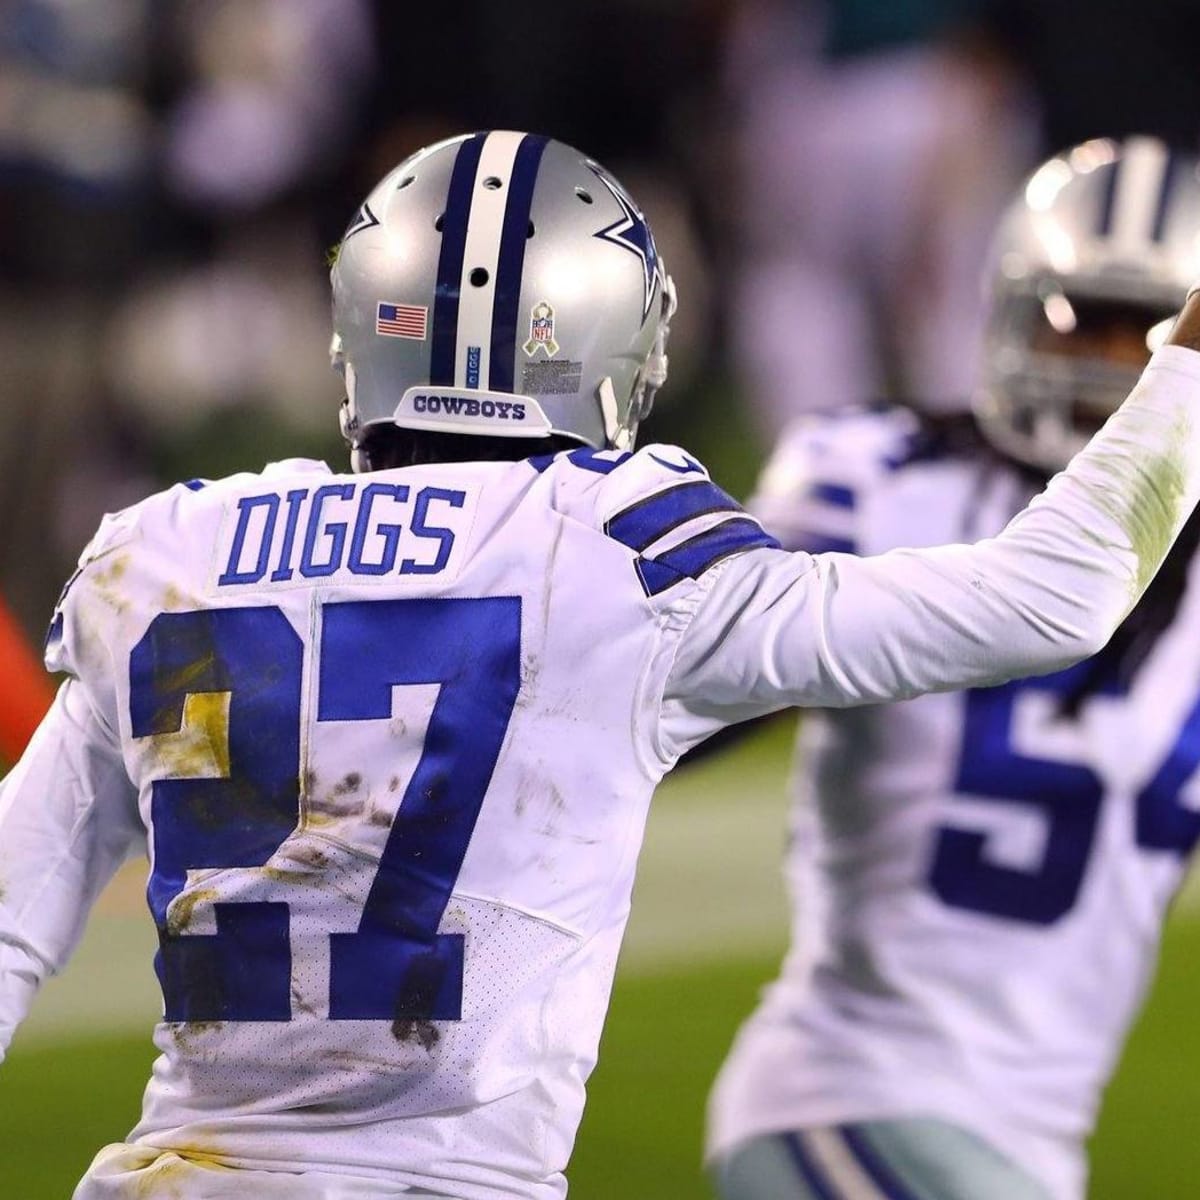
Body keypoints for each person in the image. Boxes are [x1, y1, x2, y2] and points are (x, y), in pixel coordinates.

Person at [1, 131, 1200, 1200]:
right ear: (611, 339)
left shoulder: (169, 552)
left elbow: (12, 917)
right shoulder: (618, 552)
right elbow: (1059, 593)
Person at [706, 136, 1200, 1200]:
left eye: (1150, 331)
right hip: (848, 1095)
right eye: (1084, 318)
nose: (1115, 364)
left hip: (1029, 1146)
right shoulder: (877, 477)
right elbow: (705, 685)